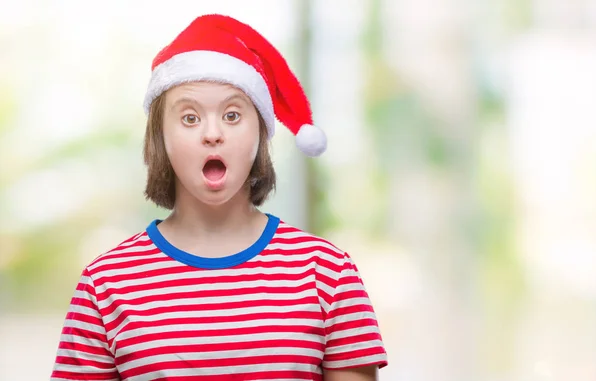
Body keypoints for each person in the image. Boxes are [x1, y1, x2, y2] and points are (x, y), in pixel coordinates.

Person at [51, 14, 387, 381]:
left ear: (260, 132)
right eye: (190, 118)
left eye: (231, 114)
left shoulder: (328, 272)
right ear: (160, 138)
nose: (212, 134)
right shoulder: (105, 285)